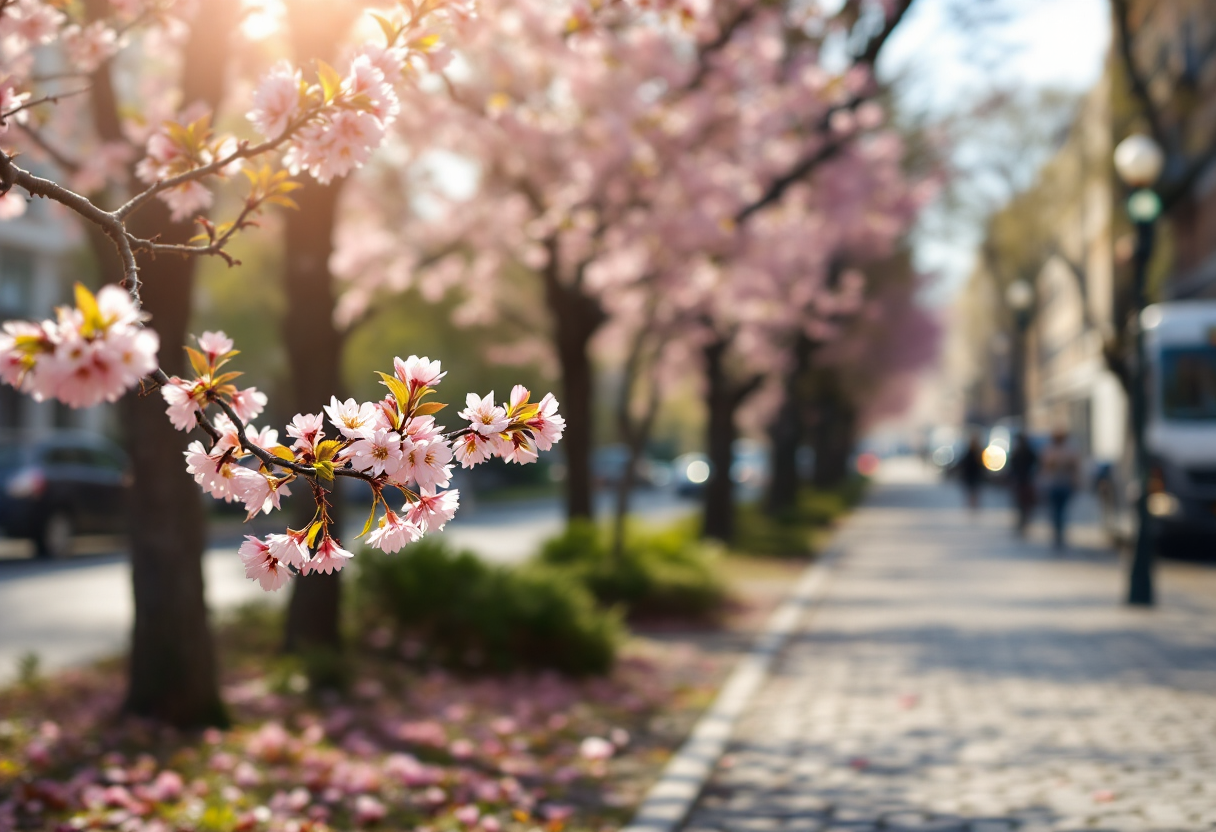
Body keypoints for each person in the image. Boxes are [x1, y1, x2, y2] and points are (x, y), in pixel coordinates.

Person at [1040, 429, 1081, 550]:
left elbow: (1075, 467)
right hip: (1053, 484)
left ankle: (1060, 532)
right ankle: (1057, 532)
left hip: (1064, 484)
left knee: (1061, 510)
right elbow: (1045, 467)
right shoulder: (1049, 450)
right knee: (1055, 511)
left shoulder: (1069, 450)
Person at [1007, 433, 1038, 536]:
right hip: (1022, 482)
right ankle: (1023, 522)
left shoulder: (1023, 453)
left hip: (1023, 482)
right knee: (1023, 504)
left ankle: (1023, 522)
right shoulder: (1023, 453)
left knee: (1023, 504)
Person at [957, 434, 984, 510]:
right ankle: (973, 505)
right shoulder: (972, 453)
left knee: (974, 491)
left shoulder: (977, 453)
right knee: (972, 491)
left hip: (973, 476)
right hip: (971, 476)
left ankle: (973, 505)